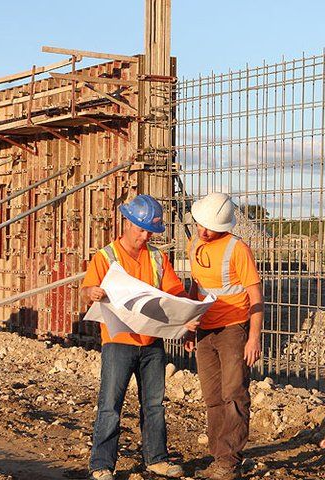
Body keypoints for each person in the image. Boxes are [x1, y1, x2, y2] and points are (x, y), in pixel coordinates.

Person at [81, 194, 186, 480]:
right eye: (140, 229)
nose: (144, 236)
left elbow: (174, 290)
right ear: (126, 222)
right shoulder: (106, 256)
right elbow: (88, 288)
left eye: (148, 231)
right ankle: (102, 465)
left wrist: (183, 306)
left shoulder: (157, 257)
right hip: (118, 343)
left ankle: (156, 459)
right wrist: (92, 293)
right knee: (110, 406)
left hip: (151, 342)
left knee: (154, 404)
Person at [184, 192, 264, 480]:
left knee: (234, 395)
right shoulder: (194, 243)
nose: (205, 232)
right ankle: (218, 455)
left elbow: (255, 295)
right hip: (205, 329)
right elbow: (196, 286)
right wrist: (189, 324)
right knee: (213, 397)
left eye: (211, 228)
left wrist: (253, 337)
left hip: (233, 329)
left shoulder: (237, 249)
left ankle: (229, 462)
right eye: (201, 225)